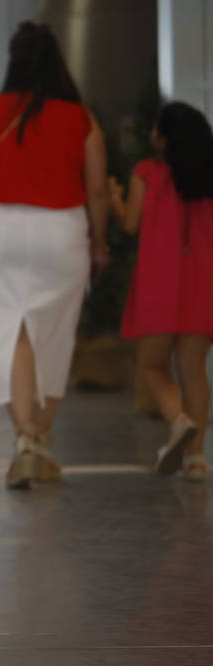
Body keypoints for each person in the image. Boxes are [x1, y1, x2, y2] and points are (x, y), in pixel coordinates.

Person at [0, 21, 109, 489]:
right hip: (64, 231)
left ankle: (25, 442)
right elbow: (97, 188)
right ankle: (39, 440)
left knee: (13, 333)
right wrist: (99, 243)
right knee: (53, 334)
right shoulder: (82, 118)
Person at [110, 102, 213, 481]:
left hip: (159, 281)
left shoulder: (146, 173)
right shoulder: (208, 178)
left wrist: (115, 201)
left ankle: (179, 420)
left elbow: (133, 224)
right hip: (203, 283)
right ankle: (198, 459)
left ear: (162, 138)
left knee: (152, 367)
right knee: (194, 372)